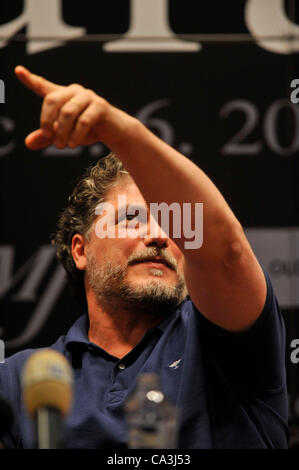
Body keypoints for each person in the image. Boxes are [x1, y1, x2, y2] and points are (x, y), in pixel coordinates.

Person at [0, 66, 289, 448]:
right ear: (81, 249)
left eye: (174, 223)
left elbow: (227, 256)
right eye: (133, 218)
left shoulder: (223, 343)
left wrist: (118, 130)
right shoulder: (24, 380)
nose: (158, 236)